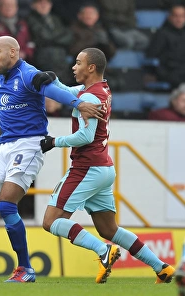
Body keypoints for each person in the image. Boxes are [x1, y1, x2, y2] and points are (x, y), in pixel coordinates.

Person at [0, 36, 104, 282]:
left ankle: (25, 268)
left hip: (31, 143)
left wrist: (77, 103)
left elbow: (51, 90)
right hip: (4, 142)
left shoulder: (28, 74)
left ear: (13, 52)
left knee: (6, 205)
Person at [39, 47, 175, 284]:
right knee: (109, 229)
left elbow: (86, 137)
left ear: (91, 67)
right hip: (103, 168)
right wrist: (55, 81)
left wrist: (54, 141)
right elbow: (71, 92)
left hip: (87, 167)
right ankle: (162, 267)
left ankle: (104, 251)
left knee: (51, 221)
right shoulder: (99, 89)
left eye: (78, 62)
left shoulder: (89, 97)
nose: (74, 66)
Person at [27, 0, 73, 84]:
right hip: (43, 58)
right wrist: (59, 38)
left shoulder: (56, 18)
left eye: (47, 3)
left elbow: (68, 36)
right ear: (33, 5)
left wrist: (52, 39)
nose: (44, 5)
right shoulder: (30, 19)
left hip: (60, 57)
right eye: (40, 3)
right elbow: (43, 37)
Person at [145, 4, 185, 90]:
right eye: (176, 16)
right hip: (169, 71)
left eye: (182, 16)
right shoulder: (162, 34)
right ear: (170, 17)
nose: (179, 19)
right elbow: (151, 54)